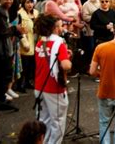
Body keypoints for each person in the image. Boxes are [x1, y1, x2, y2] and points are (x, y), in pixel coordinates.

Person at [33, 14, 71, 144]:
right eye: (60, 25)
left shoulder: (40, 42)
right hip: (54, 87)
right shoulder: (59, 43)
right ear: (55, 27)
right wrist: (69, 61)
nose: (62, 28)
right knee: (58, 121)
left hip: (39, 85)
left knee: (43, 120)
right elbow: (65, 65)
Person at [0, 0, 25, 109]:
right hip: (1, 51)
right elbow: (2, 32)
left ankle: (1, 99)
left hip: (5, 49)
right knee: (0, 77)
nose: (9, 1)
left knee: (5, 76)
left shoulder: (3, 11)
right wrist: (15, 28)